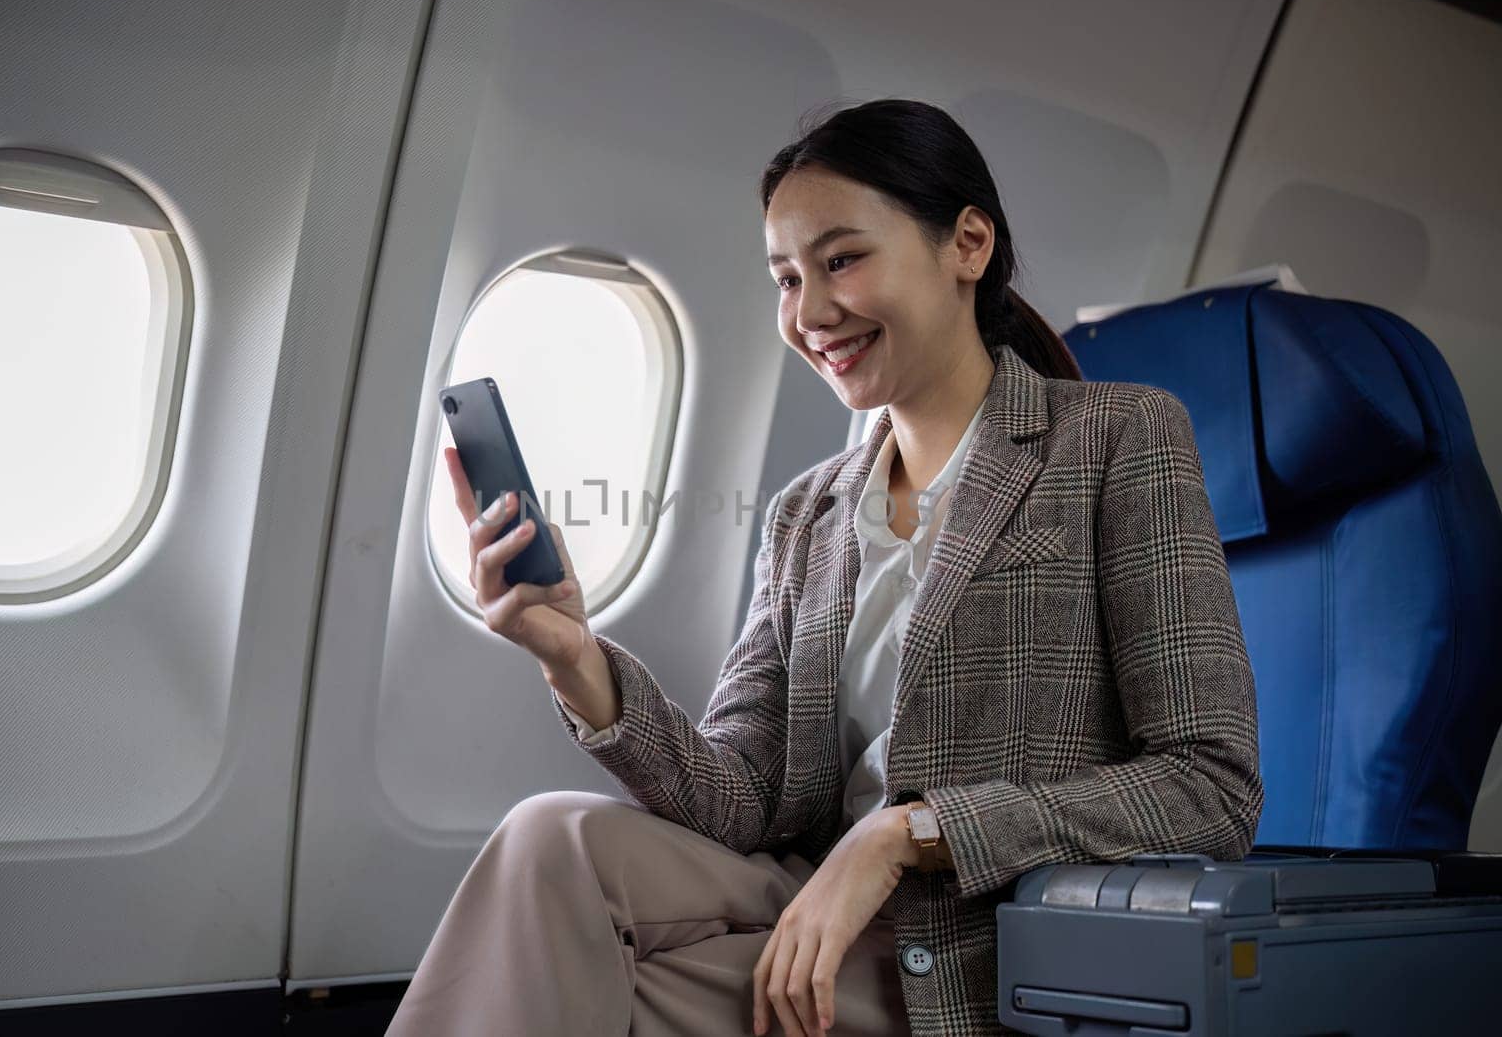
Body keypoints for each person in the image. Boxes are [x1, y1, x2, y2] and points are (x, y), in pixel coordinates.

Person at [385, 98, 1263, 1037]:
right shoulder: (809, 512)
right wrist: (574, 655)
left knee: (581, 989)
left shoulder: (1116, 441)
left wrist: (907, 834)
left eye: (842, 260)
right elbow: (744, 797)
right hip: (807, 912)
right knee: (548, 838)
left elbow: (1208, 786)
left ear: (968, 244)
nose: (808, 313)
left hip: (975, 946)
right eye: (785, 278)